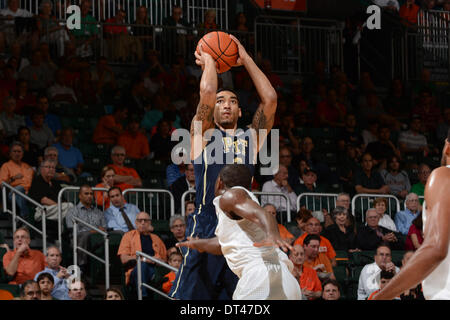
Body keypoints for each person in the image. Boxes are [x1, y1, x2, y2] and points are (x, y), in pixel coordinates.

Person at [170, 35, 278, 300]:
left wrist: (245, 59)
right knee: (190, 300)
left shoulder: (251, 139)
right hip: (208, 220)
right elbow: (206, 92)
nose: (225, 104)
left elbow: (270, 98)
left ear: (240, 111)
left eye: (231, 100)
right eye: (220, 101)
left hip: (243, 225)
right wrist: (209, 59)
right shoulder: (201, 135)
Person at [176, 164, 301, 300]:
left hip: (261, 277)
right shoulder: (241, 205)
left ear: (219, 182)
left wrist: (273, 234)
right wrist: (201, 244)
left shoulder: (230, 195)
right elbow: (223, 244)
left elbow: (262, 214)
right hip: (284, 279)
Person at [117, 211, 167, 298]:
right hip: (135, 269)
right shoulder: (128, 236)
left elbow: (164, 261)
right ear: (136, 223)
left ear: (150, 223)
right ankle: (143, 296)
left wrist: (155, 260)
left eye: (145, 220)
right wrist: (144, 259)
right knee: (142, 266)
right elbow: (124, 258)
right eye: (140, 220)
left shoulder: (156, 238)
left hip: (154, 269)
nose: (143, 223)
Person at [65, 185, 107, 267]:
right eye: (86, 194)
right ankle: (82, 266)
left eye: (91, 194)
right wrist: (92, 231)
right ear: (80, 196)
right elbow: (74, 231)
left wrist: (99, 231)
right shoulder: (73, 211)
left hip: (98, 239)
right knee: (84, 235)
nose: (89, 196)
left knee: (117, 233)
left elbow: (104, 228)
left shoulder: (98, 212)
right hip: (81, 240)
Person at [0, 141, 34, 218]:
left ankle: (24, 215)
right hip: (13, 193)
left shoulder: (27, 166)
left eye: (19, 151)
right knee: (19, 188)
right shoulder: (6, 166)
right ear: (10, 153)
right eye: (14, 151)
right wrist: (13, 178)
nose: (17, 154)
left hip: (28, 193)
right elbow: (2, 185)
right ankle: (25, 215)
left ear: (22, 153)